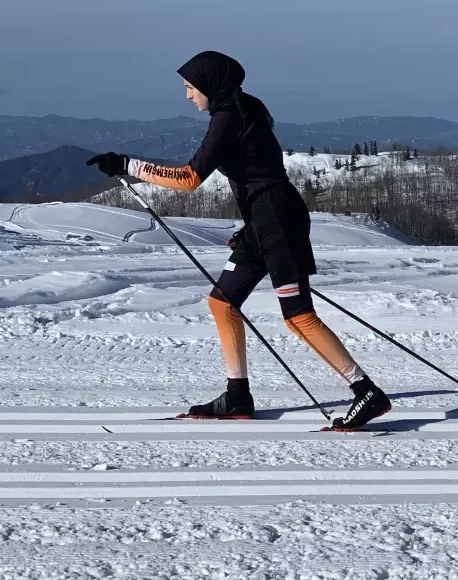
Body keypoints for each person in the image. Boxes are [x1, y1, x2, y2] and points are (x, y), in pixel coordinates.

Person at [86, 50, 391, 430]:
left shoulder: (229, 117)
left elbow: (188, 179)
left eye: (189, 87)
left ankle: (365, 390)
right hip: (262, 222)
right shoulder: (241, 108)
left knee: (298, 317)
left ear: (210, 85)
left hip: (277, 223)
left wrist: (128, 166)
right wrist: (250, 226)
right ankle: (236, 396)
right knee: (222, 303)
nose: (186, 95)